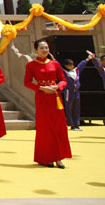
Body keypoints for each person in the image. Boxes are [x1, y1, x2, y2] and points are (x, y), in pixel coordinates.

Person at [24, 39, 71, 168]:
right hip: (42, 97)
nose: (45, 50)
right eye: (42, 48)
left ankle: (59, 157)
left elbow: (63, 80)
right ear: (36, 50)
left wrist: (58, 87)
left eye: (46, 48)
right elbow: (27, 82)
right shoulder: (31, 65)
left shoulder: (55, 64)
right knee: (45, 128)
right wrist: (41, 88)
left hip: (55, 98)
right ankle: (47, 157)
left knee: (59, 127)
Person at [61, 57, 87, 131]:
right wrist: (53, 59)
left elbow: (81, 65)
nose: (72, 66)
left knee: (76, 107)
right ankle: (71, 124)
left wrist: (88, 59)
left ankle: (76, 124)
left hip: (76, 91)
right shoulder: (64, 72)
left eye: (72, 64)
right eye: (70, 65)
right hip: (69, 91)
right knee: (69, 107)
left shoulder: (76, 71)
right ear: (66, 66)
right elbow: (58, 65)